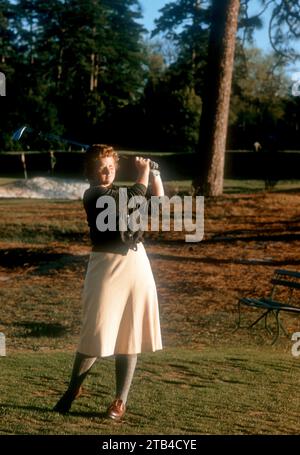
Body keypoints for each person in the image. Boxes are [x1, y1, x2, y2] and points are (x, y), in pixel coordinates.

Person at [53, 144, 164, 420]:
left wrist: (156, 175)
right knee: (96, 332)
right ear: (90, 172)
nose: (107, 172)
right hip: (105, 267)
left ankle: (119, 402)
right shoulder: (94, 195)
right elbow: (137, 193)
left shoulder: (120, 192)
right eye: (101, 168)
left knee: (130, 334)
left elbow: (157, 203)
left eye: (111, 167)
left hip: (136, 264)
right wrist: (144, 172)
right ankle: (72, 390)